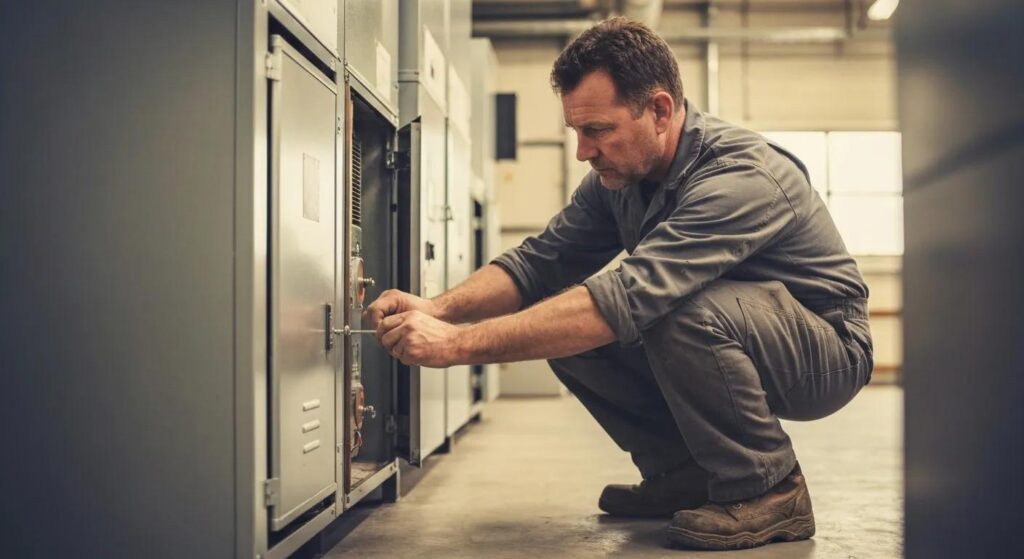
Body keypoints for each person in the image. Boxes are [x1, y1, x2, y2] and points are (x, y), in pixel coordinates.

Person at [366, 17, 873, 551]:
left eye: (598, 131)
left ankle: (771, 487)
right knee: (558, 313)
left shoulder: (740, 175)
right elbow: (540, 262)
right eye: (577, 132)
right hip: (736, 332)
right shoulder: (619, 179)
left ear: (658, 110)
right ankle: (683, 473)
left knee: (674, 306)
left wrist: (455, 347)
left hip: (825, 351)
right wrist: (438, 308)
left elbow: (631, 295)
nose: (584, 151)